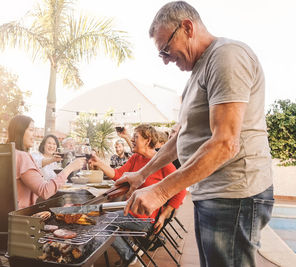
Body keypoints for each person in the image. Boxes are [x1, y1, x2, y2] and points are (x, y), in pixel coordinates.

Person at [117, 2, 274, 267]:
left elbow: (225, 143)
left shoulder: (227, 56)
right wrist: (141, 175)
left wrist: (160, 192)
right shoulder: (197, 73)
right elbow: (180, 139)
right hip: (213, 192)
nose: (166, 60)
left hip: (234, 194)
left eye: (166, 50)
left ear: (187, 27)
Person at [89, 124, 186, 265]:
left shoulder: (162, 161)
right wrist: (99, 163)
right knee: (101, 218)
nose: (132, 140)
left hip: (145, 218)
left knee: (101, 221)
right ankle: (131, 249)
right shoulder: (135, 158)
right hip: (130, 211)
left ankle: (129, 254)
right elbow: (118, 174)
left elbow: (181, 189)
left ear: (147, 141)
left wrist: (164, 215)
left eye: (136, 137)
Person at [7, 115, 85, 209]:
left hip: (2, 214)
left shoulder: (8, 154)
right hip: (23, 216)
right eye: (31, 130)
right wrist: (70, 168)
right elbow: (45, 191)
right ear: (20, 131)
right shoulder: (22, 156)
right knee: (77, 207)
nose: (34, 135)